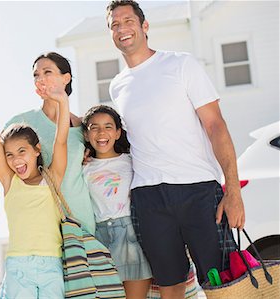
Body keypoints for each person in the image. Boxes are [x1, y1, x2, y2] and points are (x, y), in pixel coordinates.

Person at [106, 1, 245, 298]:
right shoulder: (117, 86)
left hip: (198, 190)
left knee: (222, 283)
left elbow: (216, 126)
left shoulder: (181, 64)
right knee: (169, 286)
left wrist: (233, 190)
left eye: (128, 21)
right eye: (114, 25)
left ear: (144, 26)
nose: (121, 29)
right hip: (148, 197)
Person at [0, 80, 69, 298]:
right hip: (18, 267)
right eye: (10, 155)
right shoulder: (9, 181)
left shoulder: (52, 178)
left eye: (22, 151)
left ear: (36, 150)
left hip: (51, 265)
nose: (16, 160)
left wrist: (63, 102)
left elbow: (61, 141)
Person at [2, 52, 96, 234]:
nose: (40, 79)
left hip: (80, 218)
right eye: (36, 75)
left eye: (47, 72)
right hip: (42, 222)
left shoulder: (84, 127)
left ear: (66, 78)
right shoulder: (20, 122)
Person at [82, 105, 152, 299]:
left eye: (108, 126)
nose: (101, 132)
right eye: (94, 127)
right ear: (86, 135)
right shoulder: (83, 167)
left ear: (118, 132)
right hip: (100, 238)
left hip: (131, 235)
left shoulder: (132, 160)